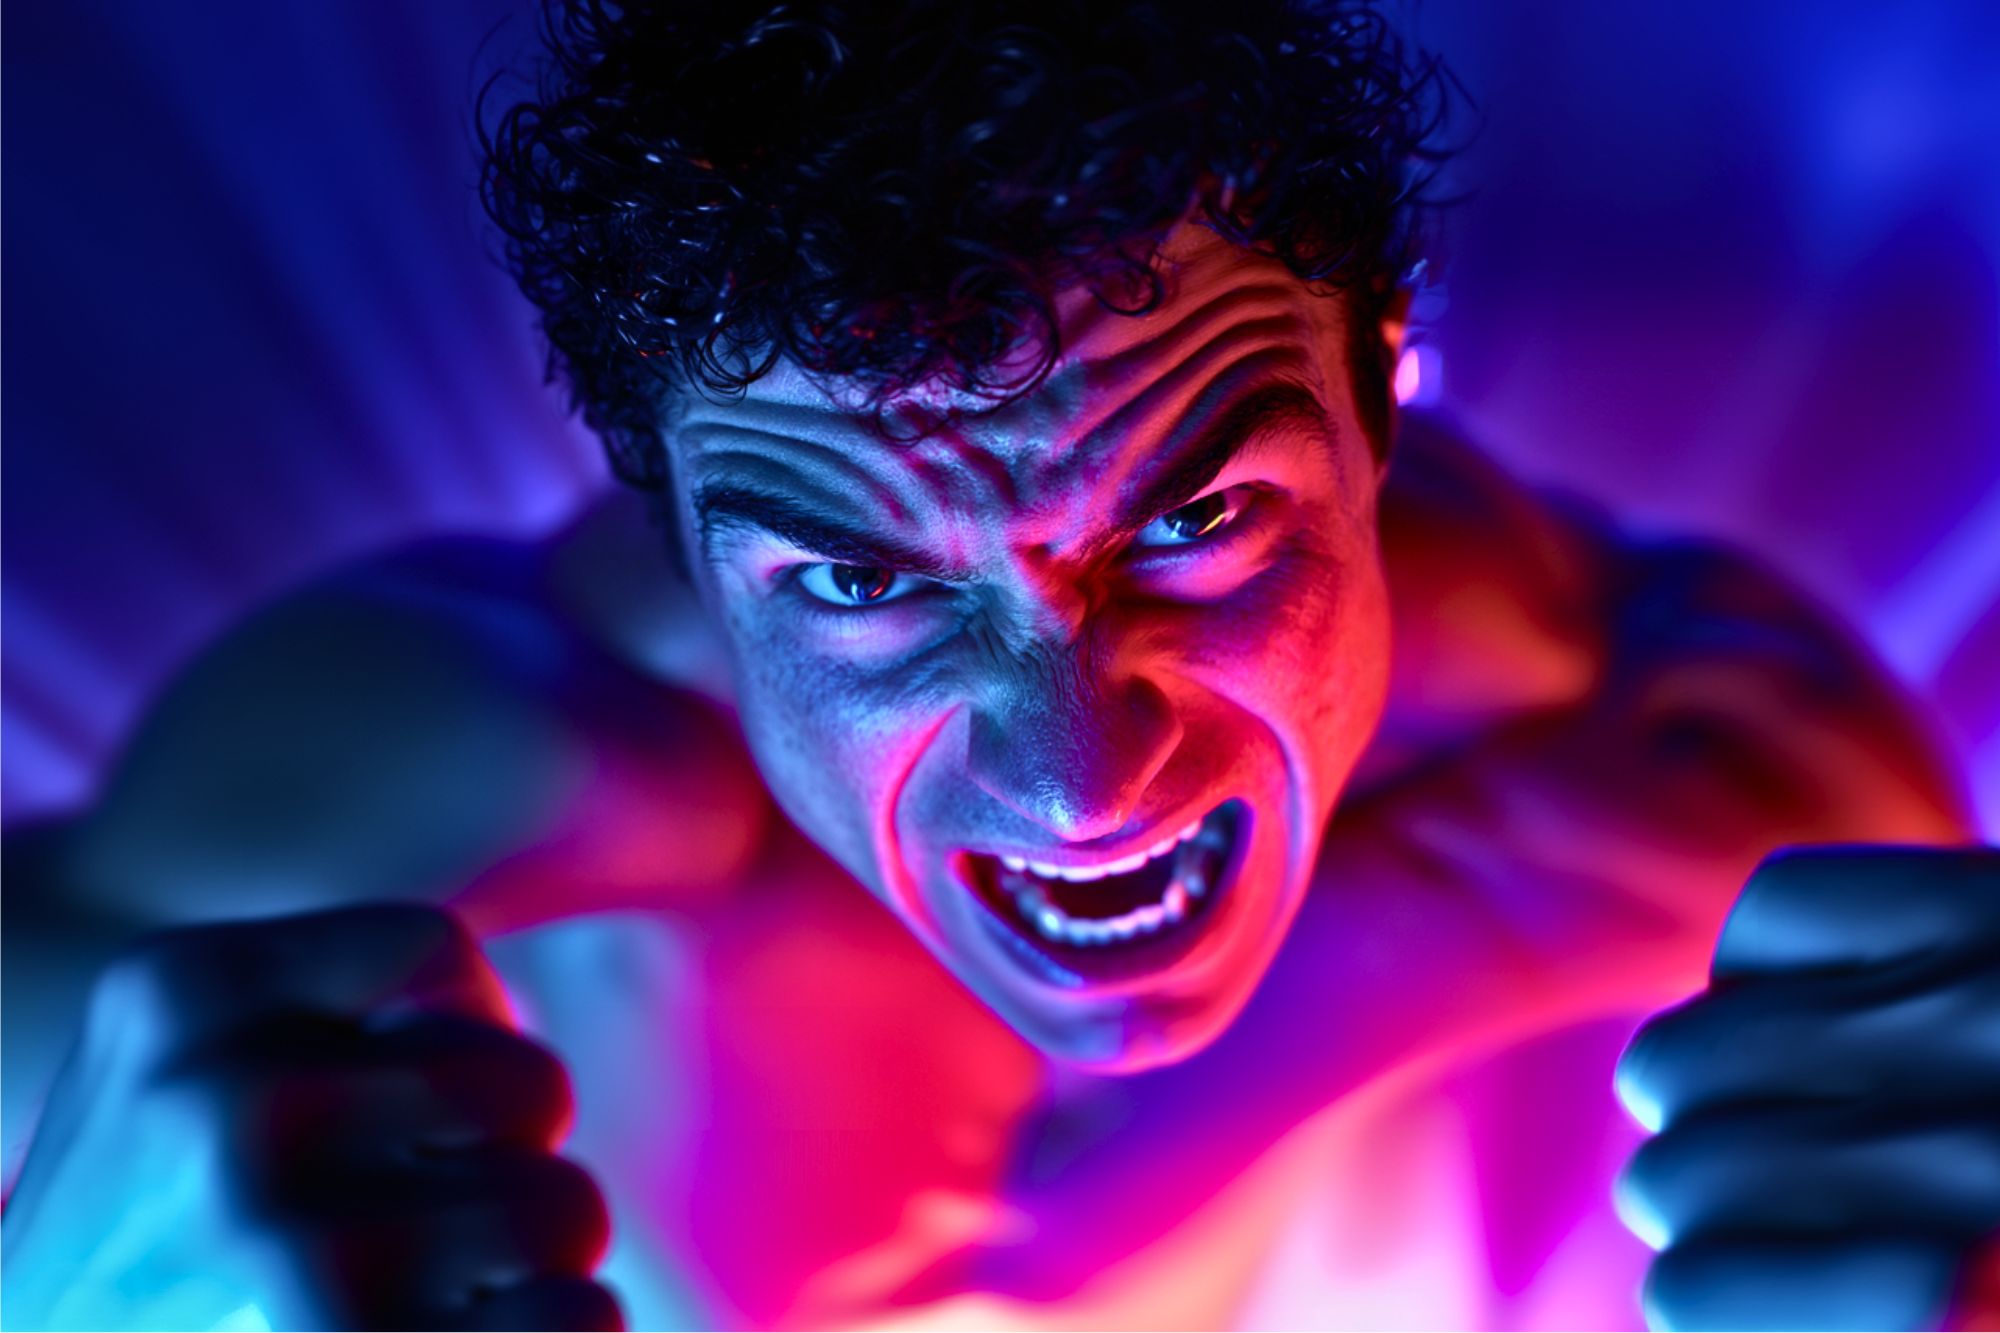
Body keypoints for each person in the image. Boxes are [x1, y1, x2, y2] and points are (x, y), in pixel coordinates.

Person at [3, 2, 1996, 1329]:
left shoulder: (1642, 715)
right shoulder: (483, 754)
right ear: (678, 535)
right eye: (863, 578)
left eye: (1198, 526)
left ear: (1382, 397)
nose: (1077, 774)